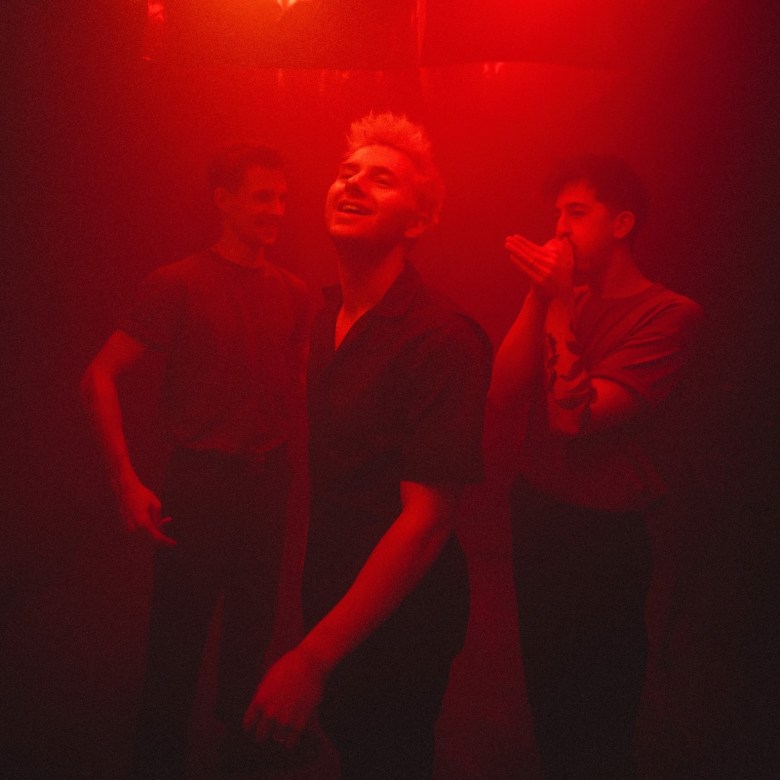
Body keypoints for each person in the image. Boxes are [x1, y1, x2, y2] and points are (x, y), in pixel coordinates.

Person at [243, 112, 492, 779]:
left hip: (404, 623)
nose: (353, 185)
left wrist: (312, 659)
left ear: (418, 222)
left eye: (381, 180)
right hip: (333, 593)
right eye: (347, 172)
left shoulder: (442, 338)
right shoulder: (330, 316)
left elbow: (427, 522)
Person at [80, 144, 310, 778]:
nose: (278, 210)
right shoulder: (176, 282)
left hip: (268, 481)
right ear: (223, 200)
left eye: (284, 198)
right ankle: (156, 763)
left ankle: (239, 755)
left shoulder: (293, 293)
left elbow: (298, 390)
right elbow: (98, 375)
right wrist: (125, 482)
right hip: (202, 483)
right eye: (264, 196)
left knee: (252, 637)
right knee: (176, 648)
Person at [489, 154, 702, 778]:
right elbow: (502, 395)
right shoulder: (562, 295)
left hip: (605, 532)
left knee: (602, 708)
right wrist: (540, 295)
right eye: (555, 215)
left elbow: (572, 418)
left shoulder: (670, 314)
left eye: (575, 213)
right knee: (547, 690)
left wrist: (559, 307)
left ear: (622, 223)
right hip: (536, 509)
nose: (558, 230)